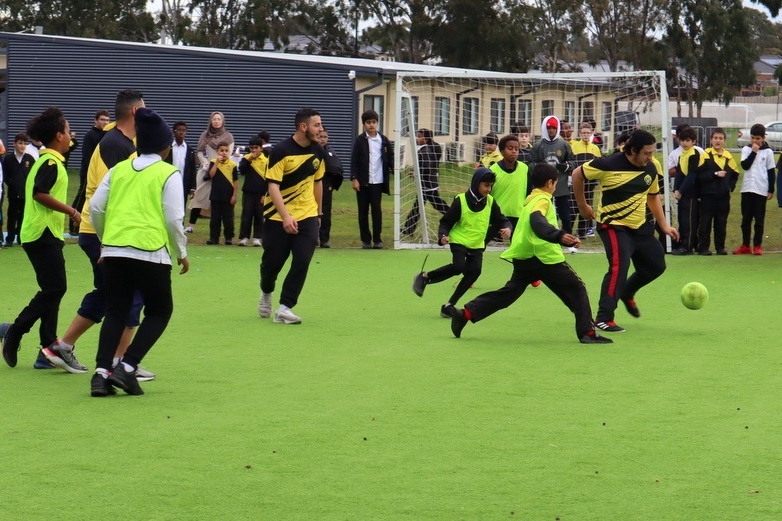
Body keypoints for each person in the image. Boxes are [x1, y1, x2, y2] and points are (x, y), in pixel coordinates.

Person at [449, 164, 612, 345]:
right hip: (543, 257)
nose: (556, 186)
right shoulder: (542, 200)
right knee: (577, 288)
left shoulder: (530, 199)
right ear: (550, 183)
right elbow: (537, 221)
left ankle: (465, 314)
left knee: (508, 295)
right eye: (556, 183)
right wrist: (558, 235)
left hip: (524, 257)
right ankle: (587, 332)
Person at [88, 107, 189, 397]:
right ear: (166, 146)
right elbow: (173, 218)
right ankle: (128, 366)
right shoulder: (168, 173)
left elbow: (96, 207)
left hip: (115, 252)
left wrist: (106, 240)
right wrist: (180, 251)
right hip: (150, 253)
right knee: (159, 311)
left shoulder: (118, 170)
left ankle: (101, 373)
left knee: (115, 312)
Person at [54, 89, 151, 376]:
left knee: (109, 293)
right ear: (134, 112)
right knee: (129, 294)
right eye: (144, 109)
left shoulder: (121, 141)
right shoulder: (115, 145)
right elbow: (116, 196)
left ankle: (64, 346)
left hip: (104, 232)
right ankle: (120, 363)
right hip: (102, 233)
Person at [0, 107, 86, 371]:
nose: (71, 135)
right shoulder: (49, 163)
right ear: (58, 135)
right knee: (55, 288)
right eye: (68, 130)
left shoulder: (51, 159)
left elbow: (71, 144)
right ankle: (16, 330)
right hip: (41, 234)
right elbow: (40, 193)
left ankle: (47, 348)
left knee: (53, 289)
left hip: (44, 234)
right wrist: (72, 210)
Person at [572, 129, 679, 333]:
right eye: (647, 153)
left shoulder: (651, 167)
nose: (651, 157)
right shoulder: (607, 164)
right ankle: (604, 318)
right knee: (620, 266)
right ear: (632, 150)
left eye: (652, 152)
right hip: (612, 226)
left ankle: (627, 292)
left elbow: (653, 196)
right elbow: (577, 174)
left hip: (640, 227)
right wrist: (582, 205)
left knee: (656, 266)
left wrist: (664, 226)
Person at [412, 167, 511, 318]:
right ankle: (425, 277)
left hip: (476, 244)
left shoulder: (490, 202)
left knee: (475, 272)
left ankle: (449, 305)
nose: (489, 189)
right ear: (476, 183)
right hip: (459, 240)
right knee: (459, 266)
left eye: (491, 186)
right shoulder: (461, 201)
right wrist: (442, 236)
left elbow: (502, 219)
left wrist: (507, 228)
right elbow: (446, 222)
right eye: (486, 185)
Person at [258, 108, 325, 325]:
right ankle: (266, 292)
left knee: (302, 260)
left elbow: (318, 182)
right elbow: (273, 187)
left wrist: (319, 213)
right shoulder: (281, 151)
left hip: (307, 215)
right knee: (271, 266)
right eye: (317, 125)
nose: (321, 129)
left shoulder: (318, 151)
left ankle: (285, 307)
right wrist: (286, 216)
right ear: (303, 127)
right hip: (278, 218)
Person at [350, 109, 392, 249]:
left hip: (378, 182)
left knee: (376, 211)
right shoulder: (360, 140)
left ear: (377, 123)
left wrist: (396, 170)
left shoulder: (384, 140)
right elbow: (354, 160)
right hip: (363, 182)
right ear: (364, 124)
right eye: (368, 123)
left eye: (373, 122)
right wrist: (354, 178)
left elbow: (390, 158)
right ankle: (365, 240)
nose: (371, 125)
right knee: (362, 212)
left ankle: (377, 239)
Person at [187, 112, 234, 233]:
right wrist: (205, 163)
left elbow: (228, 153)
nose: (216, 121)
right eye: (214, 119)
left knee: (219, 200)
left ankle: (220, 231)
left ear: (223, 121)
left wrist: (217, 162)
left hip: (221, 170)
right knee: (199, 196)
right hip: (205, 169)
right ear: (211, 121)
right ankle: (191, 225)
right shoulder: (205, 135)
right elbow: (199, 151)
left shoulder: (228, 136)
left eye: (219, 119)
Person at [733, 123, 776, 255]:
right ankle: (745, 245)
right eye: (753, 138)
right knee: (746, 219)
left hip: (761, 189)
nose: (755, 141)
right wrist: (754, 152)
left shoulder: (768, 152)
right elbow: (745, 166)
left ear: (763, 138)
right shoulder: (746, 150)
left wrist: (770, 190)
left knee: (759, 219)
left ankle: (757, 245)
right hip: (747, 189)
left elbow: (770, 172)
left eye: (758, 138)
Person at [531, 116, 575, 244]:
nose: (551, 131)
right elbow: (531, 164)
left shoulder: (564, 145)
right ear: (544, 128)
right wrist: (540, 168)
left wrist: (567, 166)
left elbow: (573, 162)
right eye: (549, 128)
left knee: (565, 214)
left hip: (561, 185)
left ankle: (569, 239)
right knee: (546, 214)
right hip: (543, 188)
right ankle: (548, 238)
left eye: (554, 128)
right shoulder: (538, 146)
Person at [698, 128, 739, 255]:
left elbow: (735, 174)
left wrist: (730, 187)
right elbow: (699, 175)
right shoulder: (705, 155)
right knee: (705, 222)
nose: (718, 141)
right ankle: (703, 248)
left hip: (723, 196)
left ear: (724, 141)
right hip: (708, 195)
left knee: (721, 222)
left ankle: (720, 247)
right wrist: (715, 174)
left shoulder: (728, 156)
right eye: (715, 138)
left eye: (720, 138)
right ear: (711, 140)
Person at [401, 128, 449, 237]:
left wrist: (416, 174)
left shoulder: (424, 151)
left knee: (437, 205)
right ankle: (409, 229)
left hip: (427, 185)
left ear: (426, 139)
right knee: (419, 206)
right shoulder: (427, 149)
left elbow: (426, 167)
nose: (417, 139)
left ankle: (455, 217)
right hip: (429, 184)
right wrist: (414, 171)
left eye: (419, 136)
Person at [70, 109, 110, 235]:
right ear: (96, 120)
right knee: (82, 197)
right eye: (102, 120)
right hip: (88, 171)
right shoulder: (90, 135)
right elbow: (88, 156)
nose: (105, 122)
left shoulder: (108, 134)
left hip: (102, 173)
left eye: (107, 120)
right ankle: (73, 226)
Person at [671, 126, 708, 255]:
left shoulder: (694, 154)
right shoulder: (682, 154)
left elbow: (692, 175)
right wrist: (676, 189)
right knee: (682, 219)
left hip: (691, 192)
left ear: (693, 141)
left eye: (687, 140)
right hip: (683, 192)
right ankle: (682, 243)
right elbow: (679, 173)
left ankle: (688, 245)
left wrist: (681, 190)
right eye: (682, 140)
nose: (684, 143)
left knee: (690, 220)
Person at [487, 134, 529, 240]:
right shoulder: (493, 170)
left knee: (518, 249)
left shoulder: (524, 169)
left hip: (518, 215)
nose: (514, 151)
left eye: (516, 149)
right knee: (482, 243)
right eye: (510, 148)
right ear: (502, 151)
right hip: (498, 216)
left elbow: (529, 191)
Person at [570, 122, 602, 239]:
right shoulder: (573, 146)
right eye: (583, 133)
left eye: (588, 133)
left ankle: (582, 232)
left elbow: (599, 166)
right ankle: (568, 231)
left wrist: (596, 181)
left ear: (592, 133)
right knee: (573, 206)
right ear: (579, 133)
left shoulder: (595, 148)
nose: (585, 135)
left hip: (590, 183)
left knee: (587, 206)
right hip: (576, 182)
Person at [2, 133, 35, 247]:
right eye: (20, 143)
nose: (22, 146)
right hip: (13, 193)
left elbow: (33, 175)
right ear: (14, 144)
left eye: (25, 143)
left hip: (25, 194)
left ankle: (21, 238)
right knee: (12, 216)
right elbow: (5, 175)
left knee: (23, 217)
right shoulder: (8, 159)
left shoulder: (29, 159)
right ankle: (10, 239)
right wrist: (11, 183)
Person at [205, 142, 238, 245]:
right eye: (221, 151)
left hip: (228, 196)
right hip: (216, 195)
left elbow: (235, 181)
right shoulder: (213, 162)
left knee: (228, 218)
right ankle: (214, 238)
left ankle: (228, 238)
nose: (224, 153)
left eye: (226, 151)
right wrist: (216, 163)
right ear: (217, 151)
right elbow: (211, 175)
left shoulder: (232, 164)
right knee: (215, 219)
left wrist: (234, 195)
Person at [238, 136, 268, 247]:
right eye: (252, 148)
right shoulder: (246, 158)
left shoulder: (266, 161)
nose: (254, 150)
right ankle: (244, 237)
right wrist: (250, 159)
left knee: (259, 215)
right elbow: (242, 171)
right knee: (246, 214)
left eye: (256, 148)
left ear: (261, 148)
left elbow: (268, 179)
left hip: (261, 193)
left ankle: (257, 237)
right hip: (248, 192)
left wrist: (265, 194)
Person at [318, 127, 344, 248]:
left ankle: (324, 239)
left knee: (325, 213)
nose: (322, 139)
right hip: (310, 187)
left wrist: (332, 185)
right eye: (320, 137)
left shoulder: (330, 153)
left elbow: (337, 169)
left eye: (325, 137)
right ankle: (311, 238)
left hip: (325, 187)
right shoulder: (310, 151)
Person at [167, 121, 198, 209]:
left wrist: (192, 187)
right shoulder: (168, 148)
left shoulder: (189, 150)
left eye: (183, 130)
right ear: (174, 132)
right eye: (179, 130)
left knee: (181, 208)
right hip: (170, 183)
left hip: (183, 184)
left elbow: (192, 169)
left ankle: (181, 223)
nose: (181, 132)